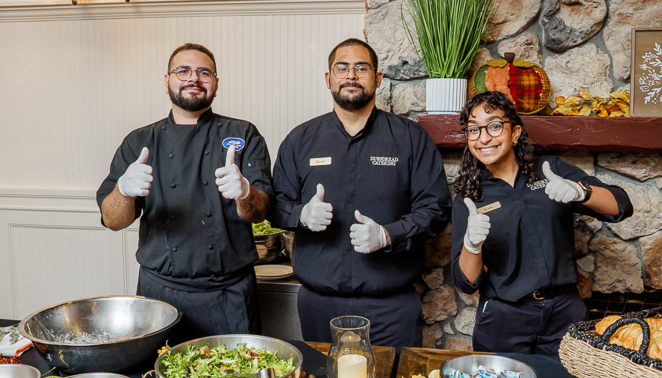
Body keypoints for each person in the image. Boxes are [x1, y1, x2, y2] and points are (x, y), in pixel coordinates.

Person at [270, 38, 452, 348]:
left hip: (391, 309)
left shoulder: (411, 139)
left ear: (378, 78)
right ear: (328, 79)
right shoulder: (299, 140)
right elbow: (275, 206)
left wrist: (388, 235)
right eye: (341, 68)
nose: (351, 75)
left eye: (361, 68)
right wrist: (301, 214)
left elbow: (435, 209)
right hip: (319, 305)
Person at [97, 43, 272, 342]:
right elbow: (113, 221)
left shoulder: (243, 134)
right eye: (183, 71)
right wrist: (123, 191)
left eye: (204, 72)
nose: (194, 78)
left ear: (216, 83)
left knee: (237, 370)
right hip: (159, 294)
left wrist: (245, 193)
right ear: (167, 81)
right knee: (157, 370)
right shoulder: (140, 141)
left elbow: (261, 213)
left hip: (229, 294)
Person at [451, 91, 633, 355]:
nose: (484, 138)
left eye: (494, 126)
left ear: (515, 132)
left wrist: (582, 192)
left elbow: (621, 205)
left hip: (564, 312)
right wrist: (472, 245)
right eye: (473, 129)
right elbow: (466, 282)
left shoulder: (550, 170)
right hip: (504, 317)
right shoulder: (470, 197)